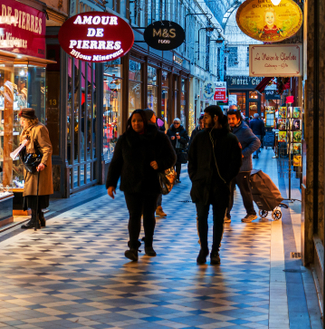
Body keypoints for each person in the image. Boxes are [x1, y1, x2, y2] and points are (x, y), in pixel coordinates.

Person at [106, 110, 175, 261]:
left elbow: (171, 157)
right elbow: (116, 162)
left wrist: (159, 163)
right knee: (134, 215)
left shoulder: (159, 137)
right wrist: (111, 184)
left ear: (145, 121)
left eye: (139, 121)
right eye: (133, 121)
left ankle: (149, 244)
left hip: (151, 182)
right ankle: (133, 248)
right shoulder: (125, 139)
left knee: (149, 215)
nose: (136, 123)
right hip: (131, 183)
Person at [187, 105, 243, 265]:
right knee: (202, 218)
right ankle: (203, 249)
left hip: (220, 186)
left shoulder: (230, 138)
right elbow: (192, 159)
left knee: (218, 219)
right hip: (202, 185)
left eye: (206, 116)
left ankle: (215, 252)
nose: (203, 120)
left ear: (215, 117)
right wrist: (195, 177)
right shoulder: (200, 137)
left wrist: (225, 179)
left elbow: (236, 163)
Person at [19, 108, 52, 230]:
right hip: (30, 166)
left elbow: (47, 148)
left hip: (38, 166)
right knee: (31, 193)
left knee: (35, 193)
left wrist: (43, 163)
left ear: (29, 120)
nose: (21, 122)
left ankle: (35, 219)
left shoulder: (40, 129)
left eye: (23, 120)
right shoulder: (27, 129)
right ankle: (38, 217)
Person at [227, 108, 262, 223]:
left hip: (243, 168)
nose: (230, 121)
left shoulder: (244, 129)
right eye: (229, 119)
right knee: (228, 191)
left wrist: (243, 154)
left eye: (233, 119)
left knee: (245, 191)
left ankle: (251, 213)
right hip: (230, 167)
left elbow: (256, 142)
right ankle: (226, 214)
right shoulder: (229, 129)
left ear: (238, 118)